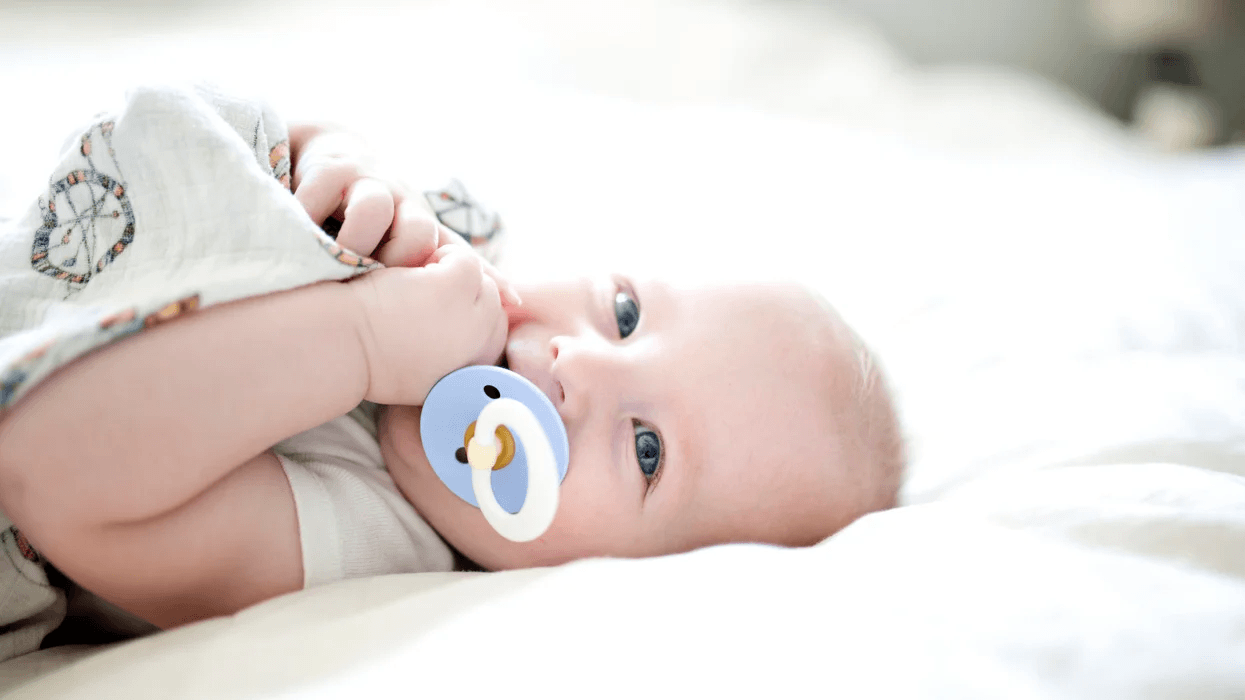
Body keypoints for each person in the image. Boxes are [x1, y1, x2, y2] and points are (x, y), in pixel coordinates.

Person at [0, 104, 904, 639]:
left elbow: (47, 467)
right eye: (624, 314)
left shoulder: (369, 538)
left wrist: (357, 341)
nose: (575, 362)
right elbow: (259, 151)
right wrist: (327, 172)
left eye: (646, 451)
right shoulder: (457, 261)